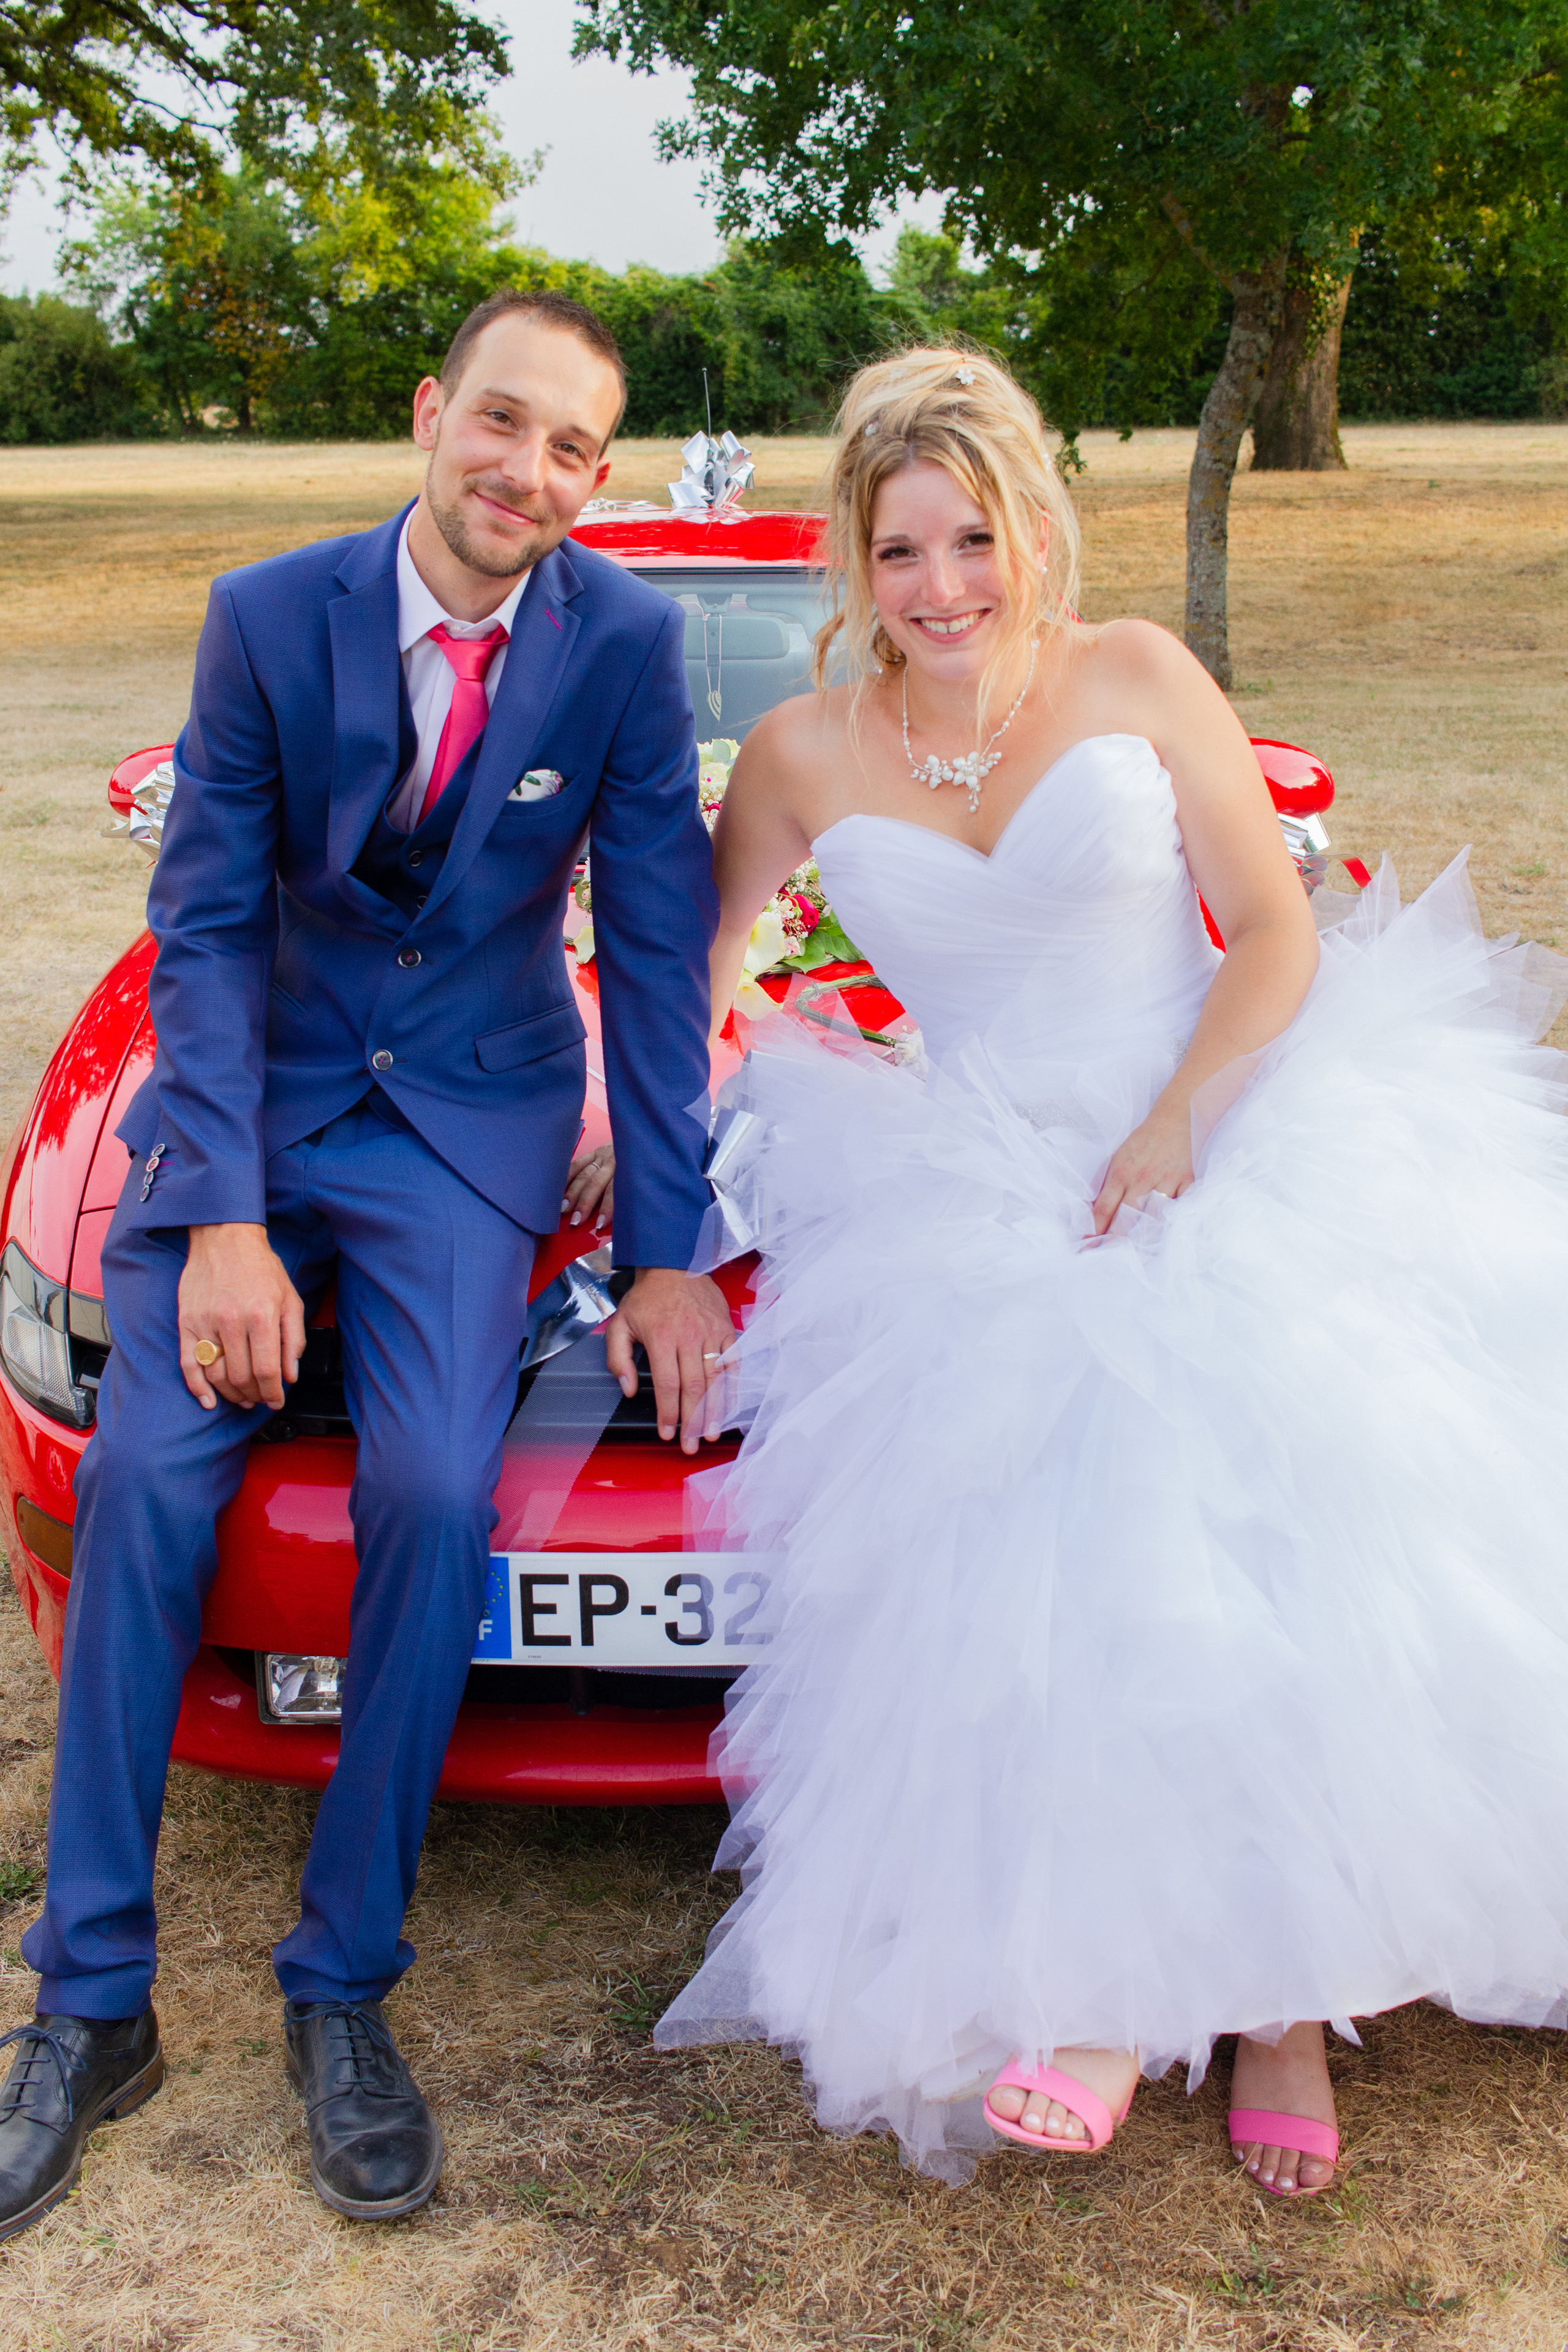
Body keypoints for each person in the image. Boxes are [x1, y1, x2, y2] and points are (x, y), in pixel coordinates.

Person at [641, 345, 1568, 2192]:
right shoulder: (807, 753)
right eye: (901, 552)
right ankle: (1094, 1993)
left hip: (1211, 1118)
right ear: (856, 557)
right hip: (969, 1172)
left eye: (971, 541)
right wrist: (638, 1128)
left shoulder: (1135, 673)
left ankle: (1288, 2006)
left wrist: (1179, 1123)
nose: (940, 590)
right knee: (1046, 1596)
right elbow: (706, 970)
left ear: (1028, 531)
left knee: (1257, 1543)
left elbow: (1275, 931)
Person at [0, 287, 734, 2242]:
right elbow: (208, 926)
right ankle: (89, 2005)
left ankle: (344, 1987)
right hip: (254, 1113)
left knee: (429, 1492)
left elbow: (660, 963)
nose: (529, 473)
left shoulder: (629, 650)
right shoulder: (268, 616)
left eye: (575, 448)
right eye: (503, 425)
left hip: (474, 1128)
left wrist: (670, 1253)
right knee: (152, 1481)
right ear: (433, 416)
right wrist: (225, 1217)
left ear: (599, 476)